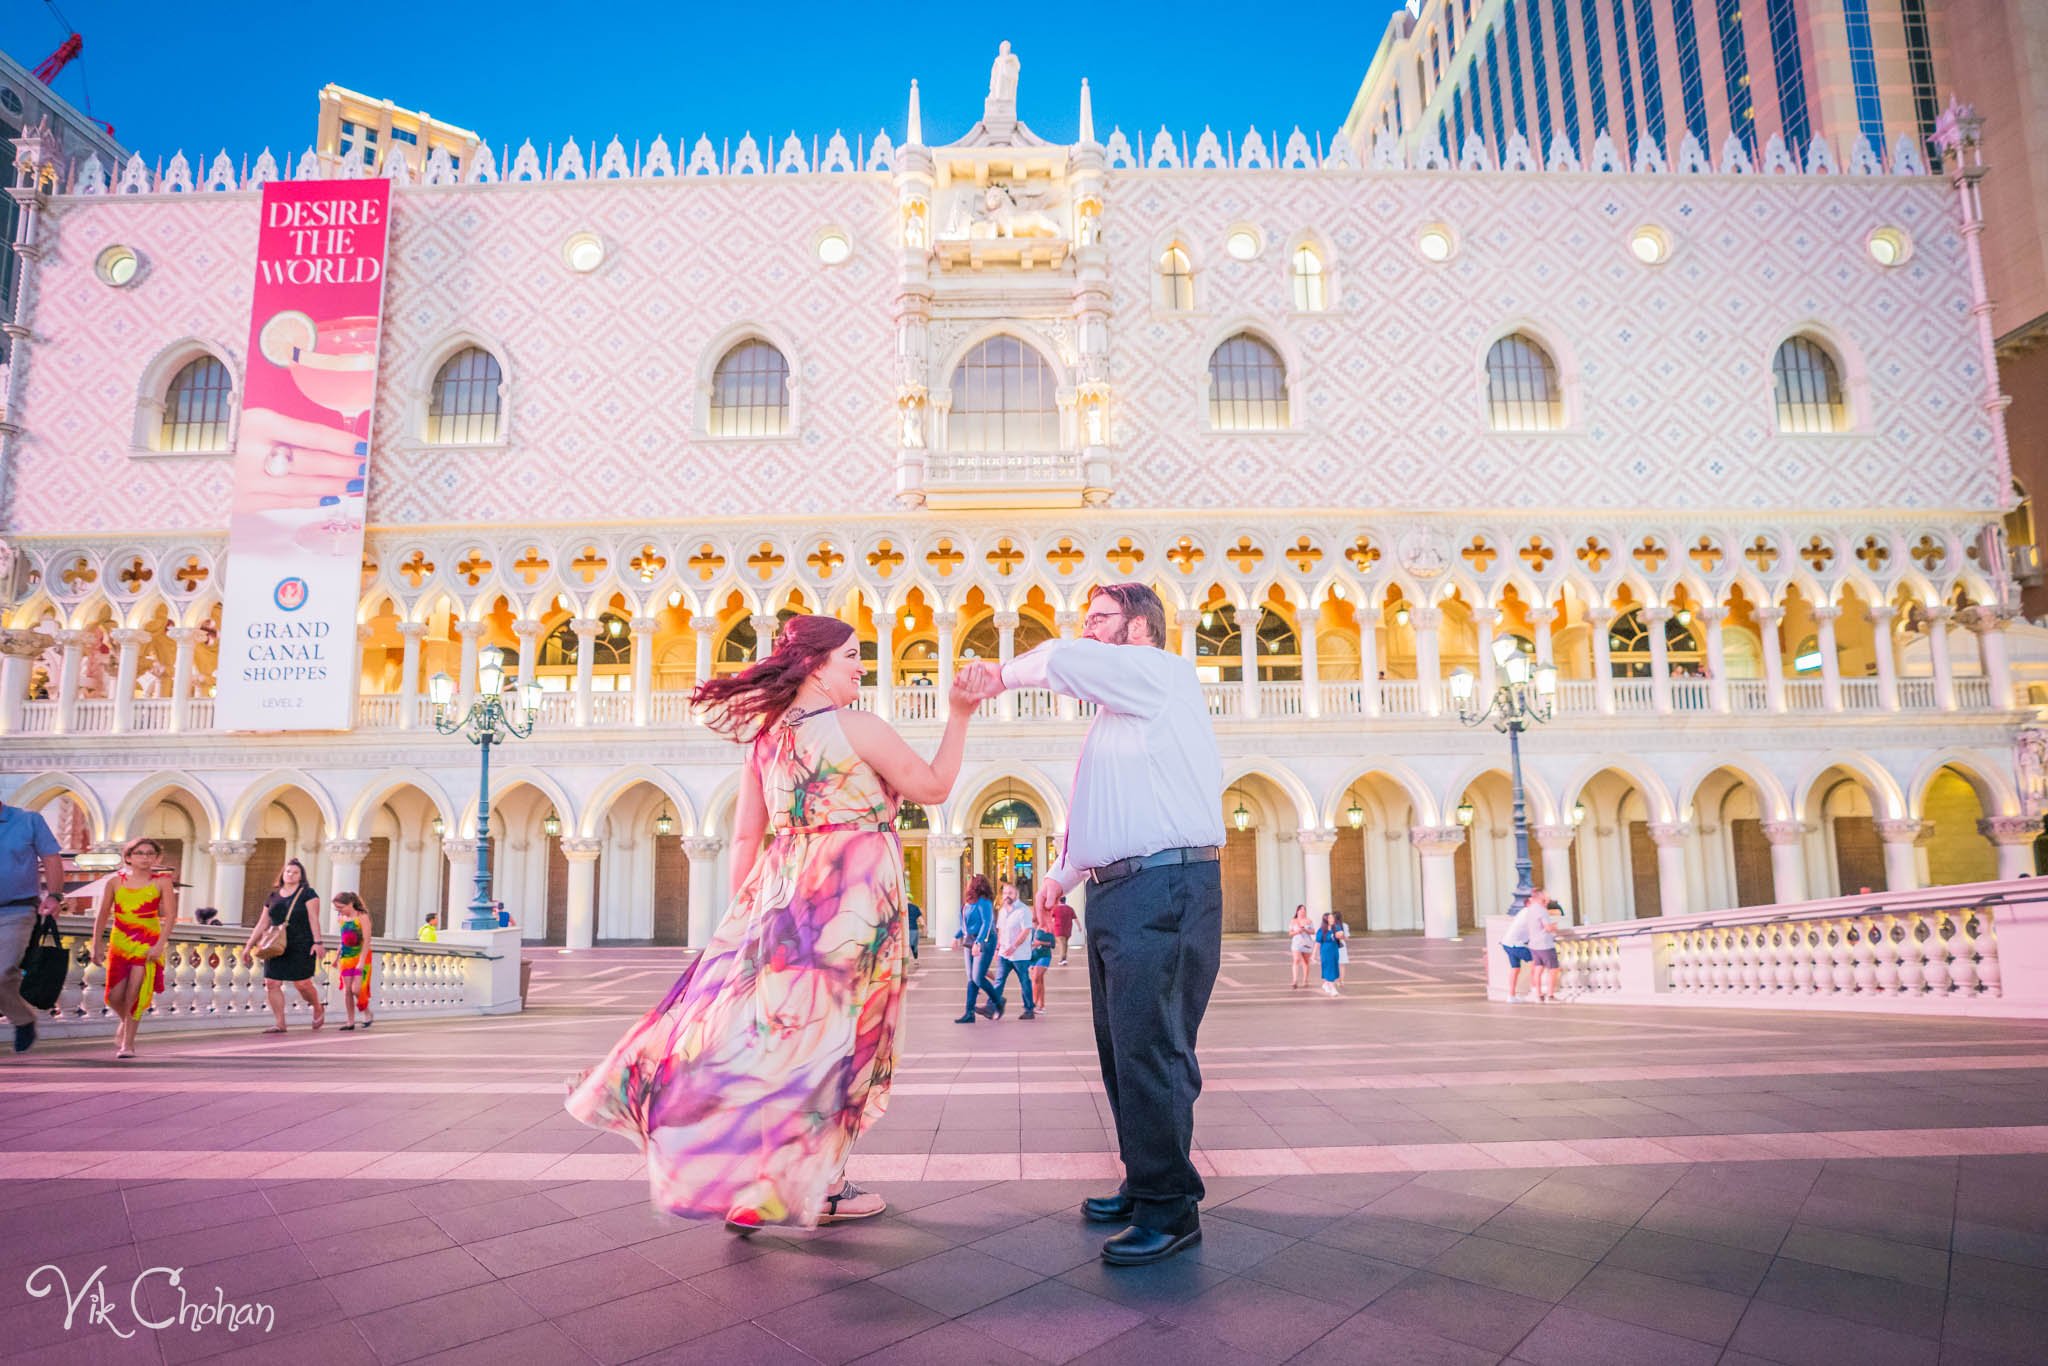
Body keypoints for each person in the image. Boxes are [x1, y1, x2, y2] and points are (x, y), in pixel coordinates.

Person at [567, 614, 976, 1232]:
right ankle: (826, 1186)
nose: (862, 666)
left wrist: (747, 919)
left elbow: (743, 838)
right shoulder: (858, 727)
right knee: (842, 1044)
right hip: (853, 912)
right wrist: (960, 712)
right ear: (815, 664)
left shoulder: (767, 739)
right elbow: (937, 788)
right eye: (852, 656)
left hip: (785, 904)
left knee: (778, 1038)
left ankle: (755, 1184)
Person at [958, 581, 1224, 1268]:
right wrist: (1057, 878)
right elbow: (1103, 814)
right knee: (1122, 1050)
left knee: (1153, 1050)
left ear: (1140, 630)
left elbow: (1063, 660)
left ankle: (1171, 1210)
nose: (1088, 631)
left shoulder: (1159, 673)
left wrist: (999, 675)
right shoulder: (1119, 716)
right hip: (1124, 891)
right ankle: (1146, 1182)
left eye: (1101, 619)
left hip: (1164, 886)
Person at [88, 837, 179, 1060]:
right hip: (120, 942)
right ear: (128, 857)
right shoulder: (114, 882)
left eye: (150, 854)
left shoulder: (162, 881)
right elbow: (101, 915)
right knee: (113, 996)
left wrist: (159, 945)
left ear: (157, 858)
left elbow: (171, 916)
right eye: (139, 853)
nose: (145, 857)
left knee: (134, 994)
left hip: (147, 941)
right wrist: (96, 945)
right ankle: (125, 1023)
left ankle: (128, 1044)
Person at [0, 797, 66, 1054]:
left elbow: (51, 858)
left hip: (16, 909)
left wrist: (55, 895)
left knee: (2, 972)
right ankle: (22, 1018)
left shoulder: (28, 820)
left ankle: (22, 1019)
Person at [246, 858, 323, 1033]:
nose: (291, 875)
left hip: (301, 942)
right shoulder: (273, 896)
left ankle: (318, 1006)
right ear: (283, 873)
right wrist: (248, 945)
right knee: (272, 983)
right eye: (288, 871)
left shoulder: (308, 894)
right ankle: (280, 1023)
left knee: (302, 984)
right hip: (275, 944)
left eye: (295, 872)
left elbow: (314, 919)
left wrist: (318, 942)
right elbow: (262, 923)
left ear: (301, 876)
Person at [954, 874, 1001, 1022]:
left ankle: (998, 1002)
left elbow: (987, 924)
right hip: (970, 940)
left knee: (977, 977)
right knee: (971, 977)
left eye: (970, 882)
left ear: (976, 885)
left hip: (985, 941)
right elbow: (966, 926)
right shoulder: (968, 904)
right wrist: (956, 936)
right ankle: (969, 1013)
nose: (967, 884)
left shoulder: (984, 902)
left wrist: (979, 942)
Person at [993, 884, 1037, 1019]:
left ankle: (1029, 1009)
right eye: (1005, 893)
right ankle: (995, 1007)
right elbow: (1000, 930)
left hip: (1020, 955)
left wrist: (1014, 946)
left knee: (1024, 981)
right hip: (1004, 954)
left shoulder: (1023, 910)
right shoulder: (1002, 911)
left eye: (1010, 893)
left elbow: (1026, 931)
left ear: (1016, 894)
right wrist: (997, 948)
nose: (1007, 896)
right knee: (999, 981)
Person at [1510, 890, 1563, 1003]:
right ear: (1541, 898)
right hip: (1544, 944)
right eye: (1546, 897)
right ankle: (1550, 995)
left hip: (1533, 944)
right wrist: (1554, 926)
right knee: (1554, 969)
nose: (1548, 899)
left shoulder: (1530, 910)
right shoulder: (1542, 910)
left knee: (1538, 968)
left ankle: (1538, 995)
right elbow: (1547, 928)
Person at [332, 891, 374, 1030]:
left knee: (356, 989)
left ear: (350, 903)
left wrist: (361, 961)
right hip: (346, 957)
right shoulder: (341, 918)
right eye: (336, 908)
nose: (339, 910)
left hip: (361, 955)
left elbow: (367, 940)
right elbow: (343, 939)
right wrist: (337, 957)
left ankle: (367, 1012)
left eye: (341, 907)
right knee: (347, 991)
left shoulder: (362, 916)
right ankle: (350, 1021)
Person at [1028, 899, 1057, 1011]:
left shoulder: (1048, 926)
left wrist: (1040, 943)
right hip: (1033, 956)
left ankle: (1034, 1003)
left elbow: (1053, 943)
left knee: (1036, 978)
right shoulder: (1031, 927)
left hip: (1044, 955)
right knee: (1039, 981)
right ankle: (1041, 1005)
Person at [1315, 912, 1345, 997]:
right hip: (1325, 952)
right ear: (1326, 920)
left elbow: (1341, 935)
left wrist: (1340, 934)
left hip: (1334, 951)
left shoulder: (1336, 927)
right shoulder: (1321, 930)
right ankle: (1332, 988)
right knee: (1329, 968)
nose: (1332, 919)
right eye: (1330, 918)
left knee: (1334, 968)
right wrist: (1314, 955)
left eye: (1332, 918)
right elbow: (1317, 943)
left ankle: (1326, 983)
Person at [1288, 904, 1314, 989]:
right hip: (1296, 943)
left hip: (1307, 943)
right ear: (1297, 911)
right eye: (1300, 909)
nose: (1302, 911)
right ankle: (1295, 980)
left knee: (1306, 962)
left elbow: (1313, 931)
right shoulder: (1293, 921)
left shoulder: (1309, 921)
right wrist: (1297, 931)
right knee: (1296, 960)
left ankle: (1305, 979)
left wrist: (1305, 930)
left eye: (1304, 910)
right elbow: (1290, 933)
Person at [1053, 893, 1076, 965]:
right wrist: (1079, 927)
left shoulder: (1055, 909)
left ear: (1059, 901)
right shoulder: (1070, 908)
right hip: (1068, 929)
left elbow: (1051, 918)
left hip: (1058, 928)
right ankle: (1064, 958)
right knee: (1065, 943)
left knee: (1061, 944)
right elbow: (1075, 918)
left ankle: (1061, 959)